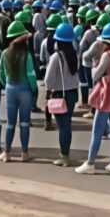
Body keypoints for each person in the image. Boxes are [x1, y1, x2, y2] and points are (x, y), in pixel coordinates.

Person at [76, 23, 110, 175]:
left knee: (97, 131)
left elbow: (95, 75)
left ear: (107, 42)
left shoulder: (107, 55)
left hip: (107, 97)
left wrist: (93, 66)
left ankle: (90, 162)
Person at [0, 21, 38, 162]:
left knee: (10, 123)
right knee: (24, 123)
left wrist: (6, 84)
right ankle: (24, 153)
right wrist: (34, 89)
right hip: (25, 90)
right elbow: (31, 74)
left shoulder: (4, 53)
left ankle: (7, 153)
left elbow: (0, 73)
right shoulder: (26, 55)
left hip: (10, 89)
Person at [44, 23, 80, 167]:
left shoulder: (56, 57)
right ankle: (65, 153)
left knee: (63, 127)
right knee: (67, 125)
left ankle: (64, 156)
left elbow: (48, 80)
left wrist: (50, 89)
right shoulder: (74, 55)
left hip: (60, 94)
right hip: (72, 93)